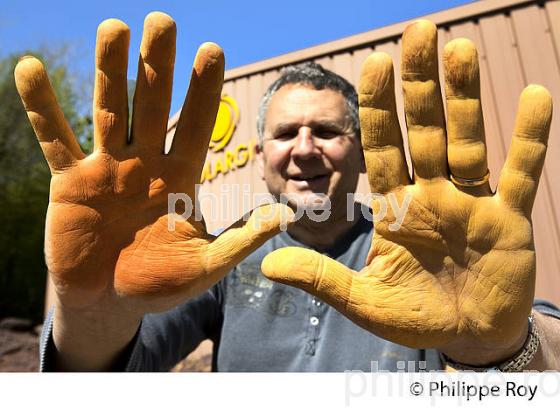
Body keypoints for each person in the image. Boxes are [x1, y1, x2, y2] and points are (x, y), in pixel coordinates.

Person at [14, 12, 560, 372]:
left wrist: (496, 352)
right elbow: (102, 385)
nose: (303, 149)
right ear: (261, 155)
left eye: (325, 132)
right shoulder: (214, 258)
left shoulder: (422, 249)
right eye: (284, 133)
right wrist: (91, 311)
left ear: (364, 150)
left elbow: (542, 348)